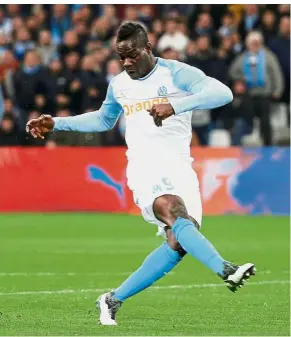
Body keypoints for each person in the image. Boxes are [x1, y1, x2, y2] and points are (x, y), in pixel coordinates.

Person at [26, 22, 256, 326]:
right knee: (174, 213)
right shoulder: (119, 84)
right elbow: (103, 120)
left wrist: (175, 104)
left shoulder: (175, 73)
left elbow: (222, 93)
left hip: (180, 167)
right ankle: (226, 269)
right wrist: (57, 123)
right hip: (145, 166)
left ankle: (112, 299)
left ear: (147, 48)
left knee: (179, 241)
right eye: (121, 57)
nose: (127, 63)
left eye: (132, 55)